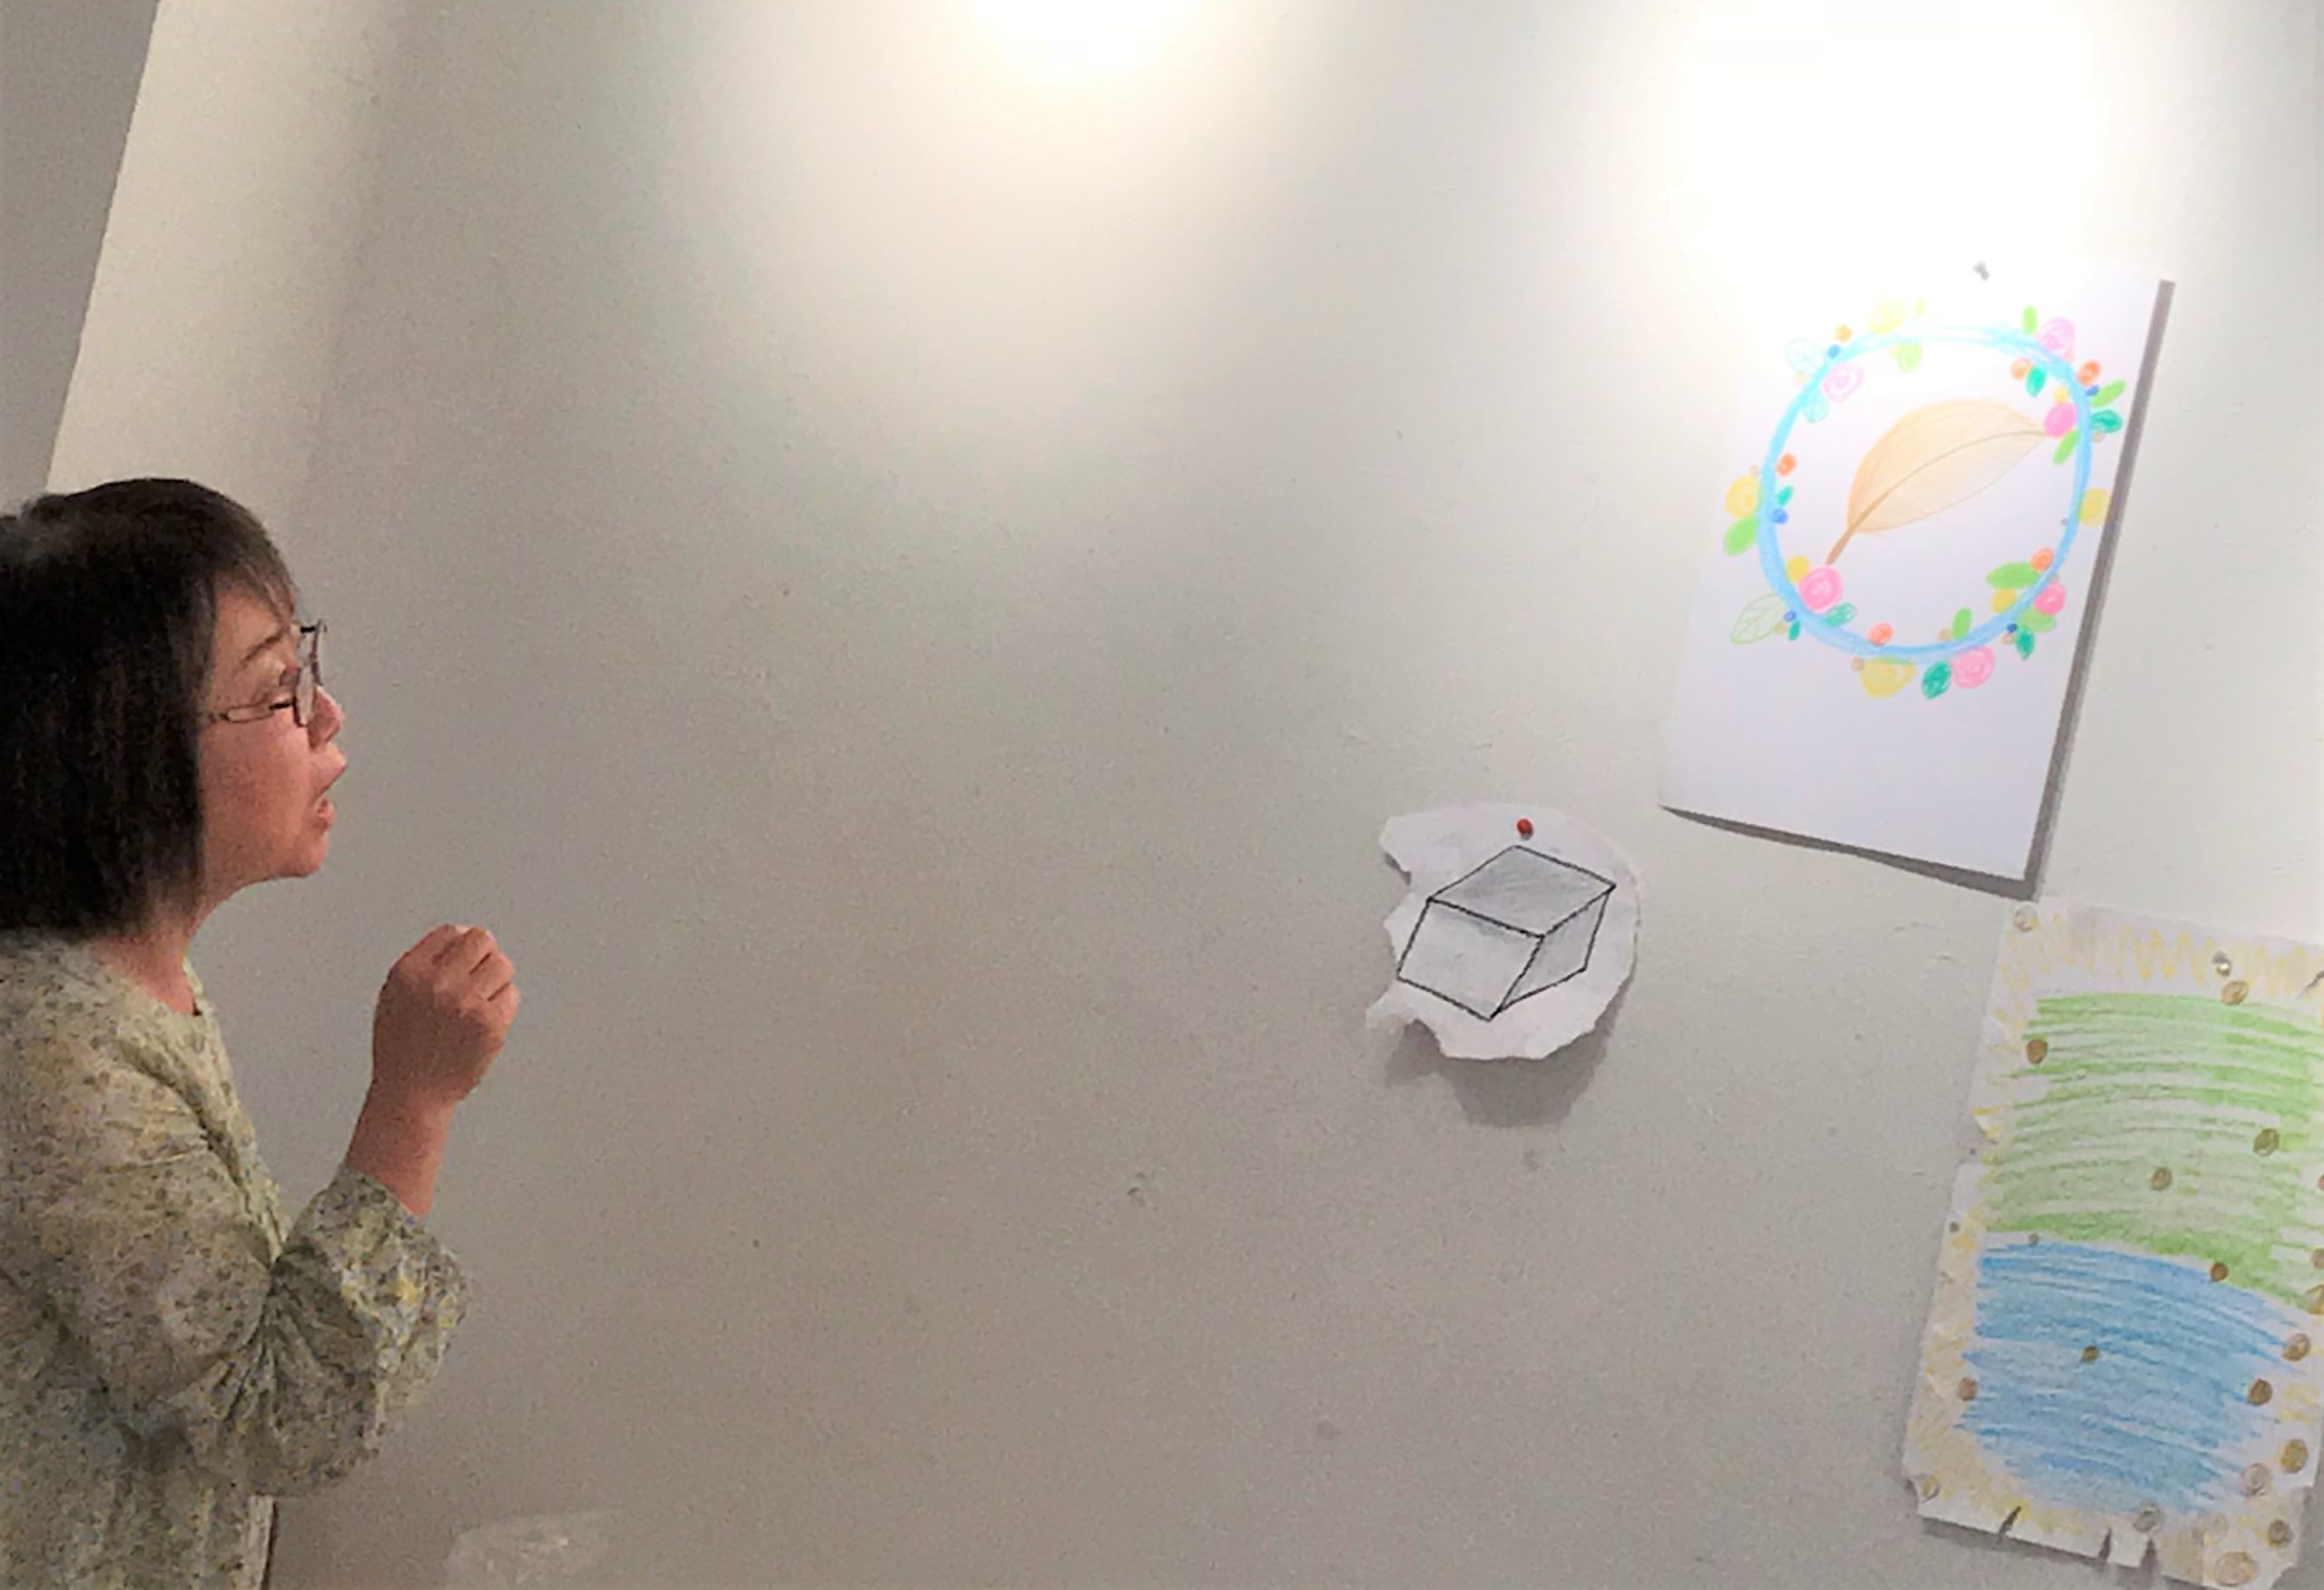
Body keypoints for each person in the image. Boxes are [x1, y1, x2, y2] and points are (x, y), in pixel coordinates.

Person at [0, 478, 521, 1588]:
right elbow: (276, 1416)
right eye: (277, 689)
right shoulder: (55, 1056)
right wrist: (412, 1103)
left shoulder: (124, 992)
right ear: (125, 753)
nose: (326, 719)